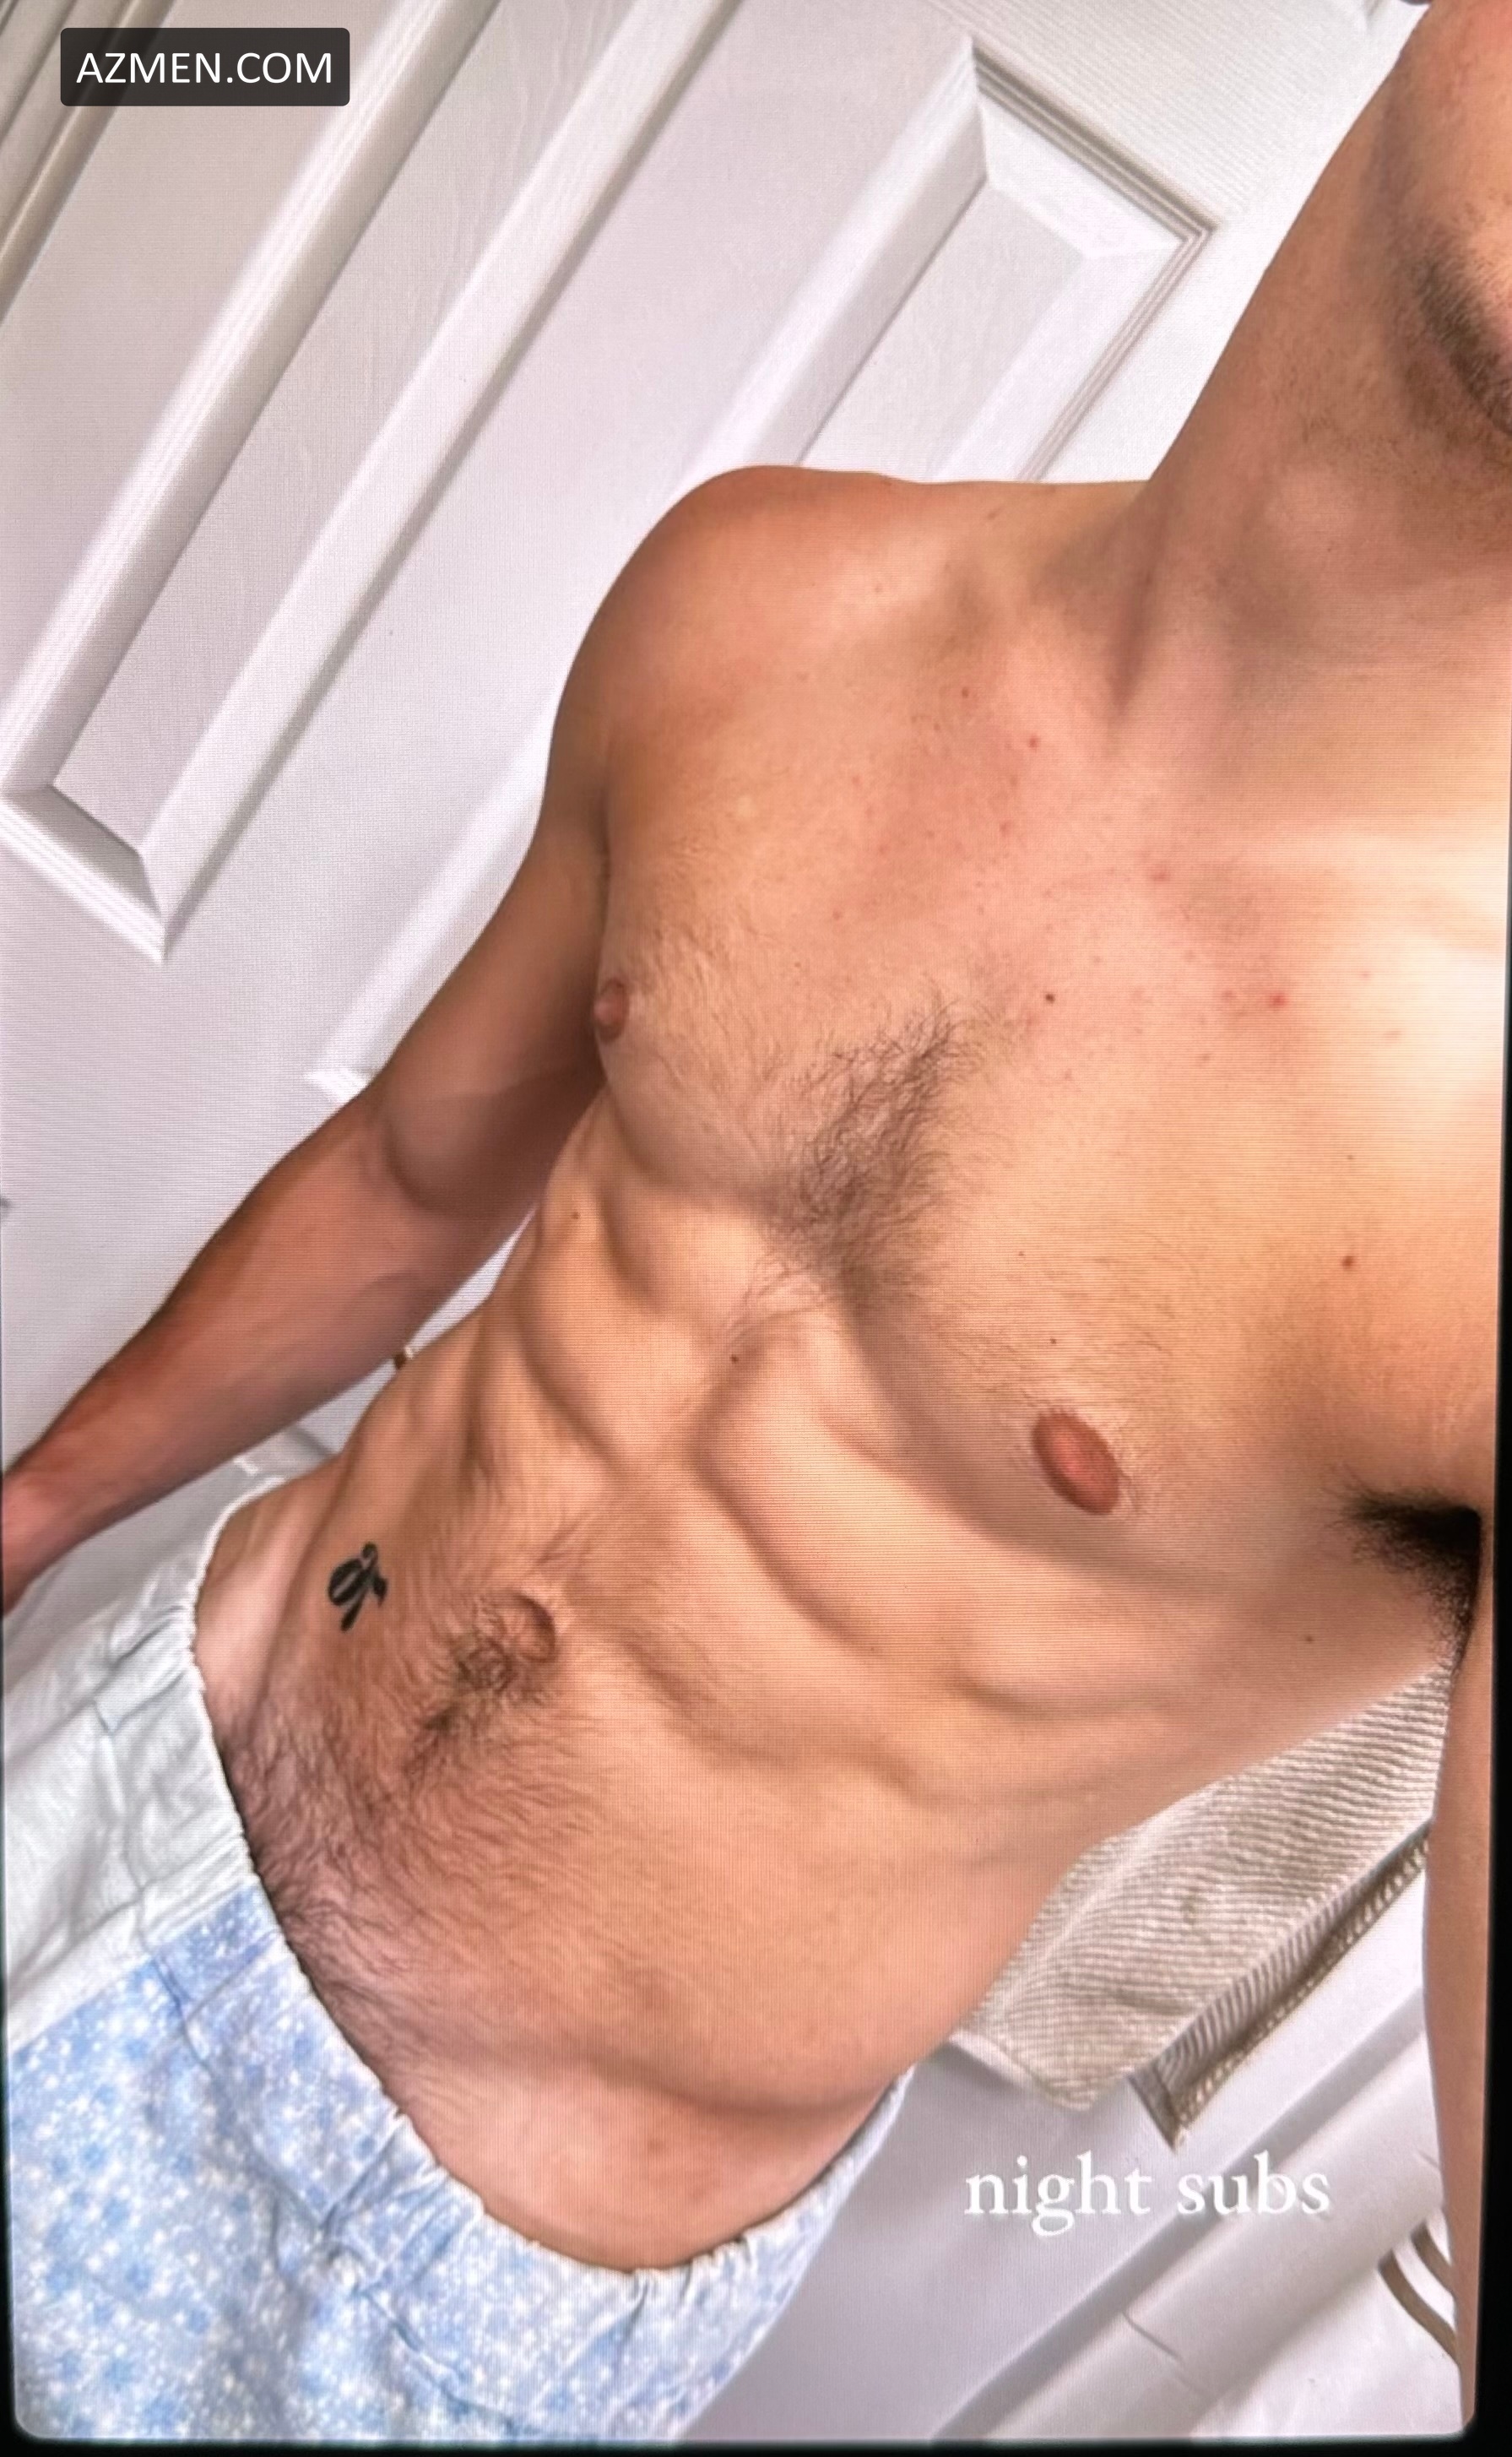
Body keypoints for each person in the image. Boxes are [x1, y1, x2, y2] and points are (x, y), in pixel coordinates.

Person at [3, 0, 1504, 2436]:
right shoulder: (771, 595)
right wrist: (28, 1519)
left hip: (449, 2300)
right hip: (126, 1791)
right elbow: (409, 1179)